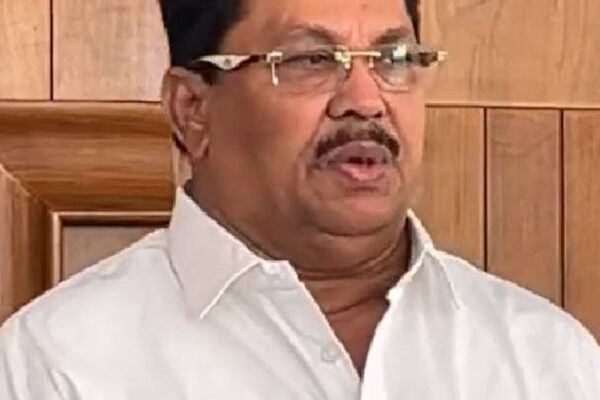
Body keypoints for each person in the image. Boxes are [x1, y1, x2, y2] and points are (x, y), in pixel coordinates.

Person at [1, 0, 599, 398]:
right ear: (193, 109)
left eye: (393, 59)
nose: (366, 101)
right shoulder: (56, 364)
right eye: (312, 60)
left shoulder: (545, 355)